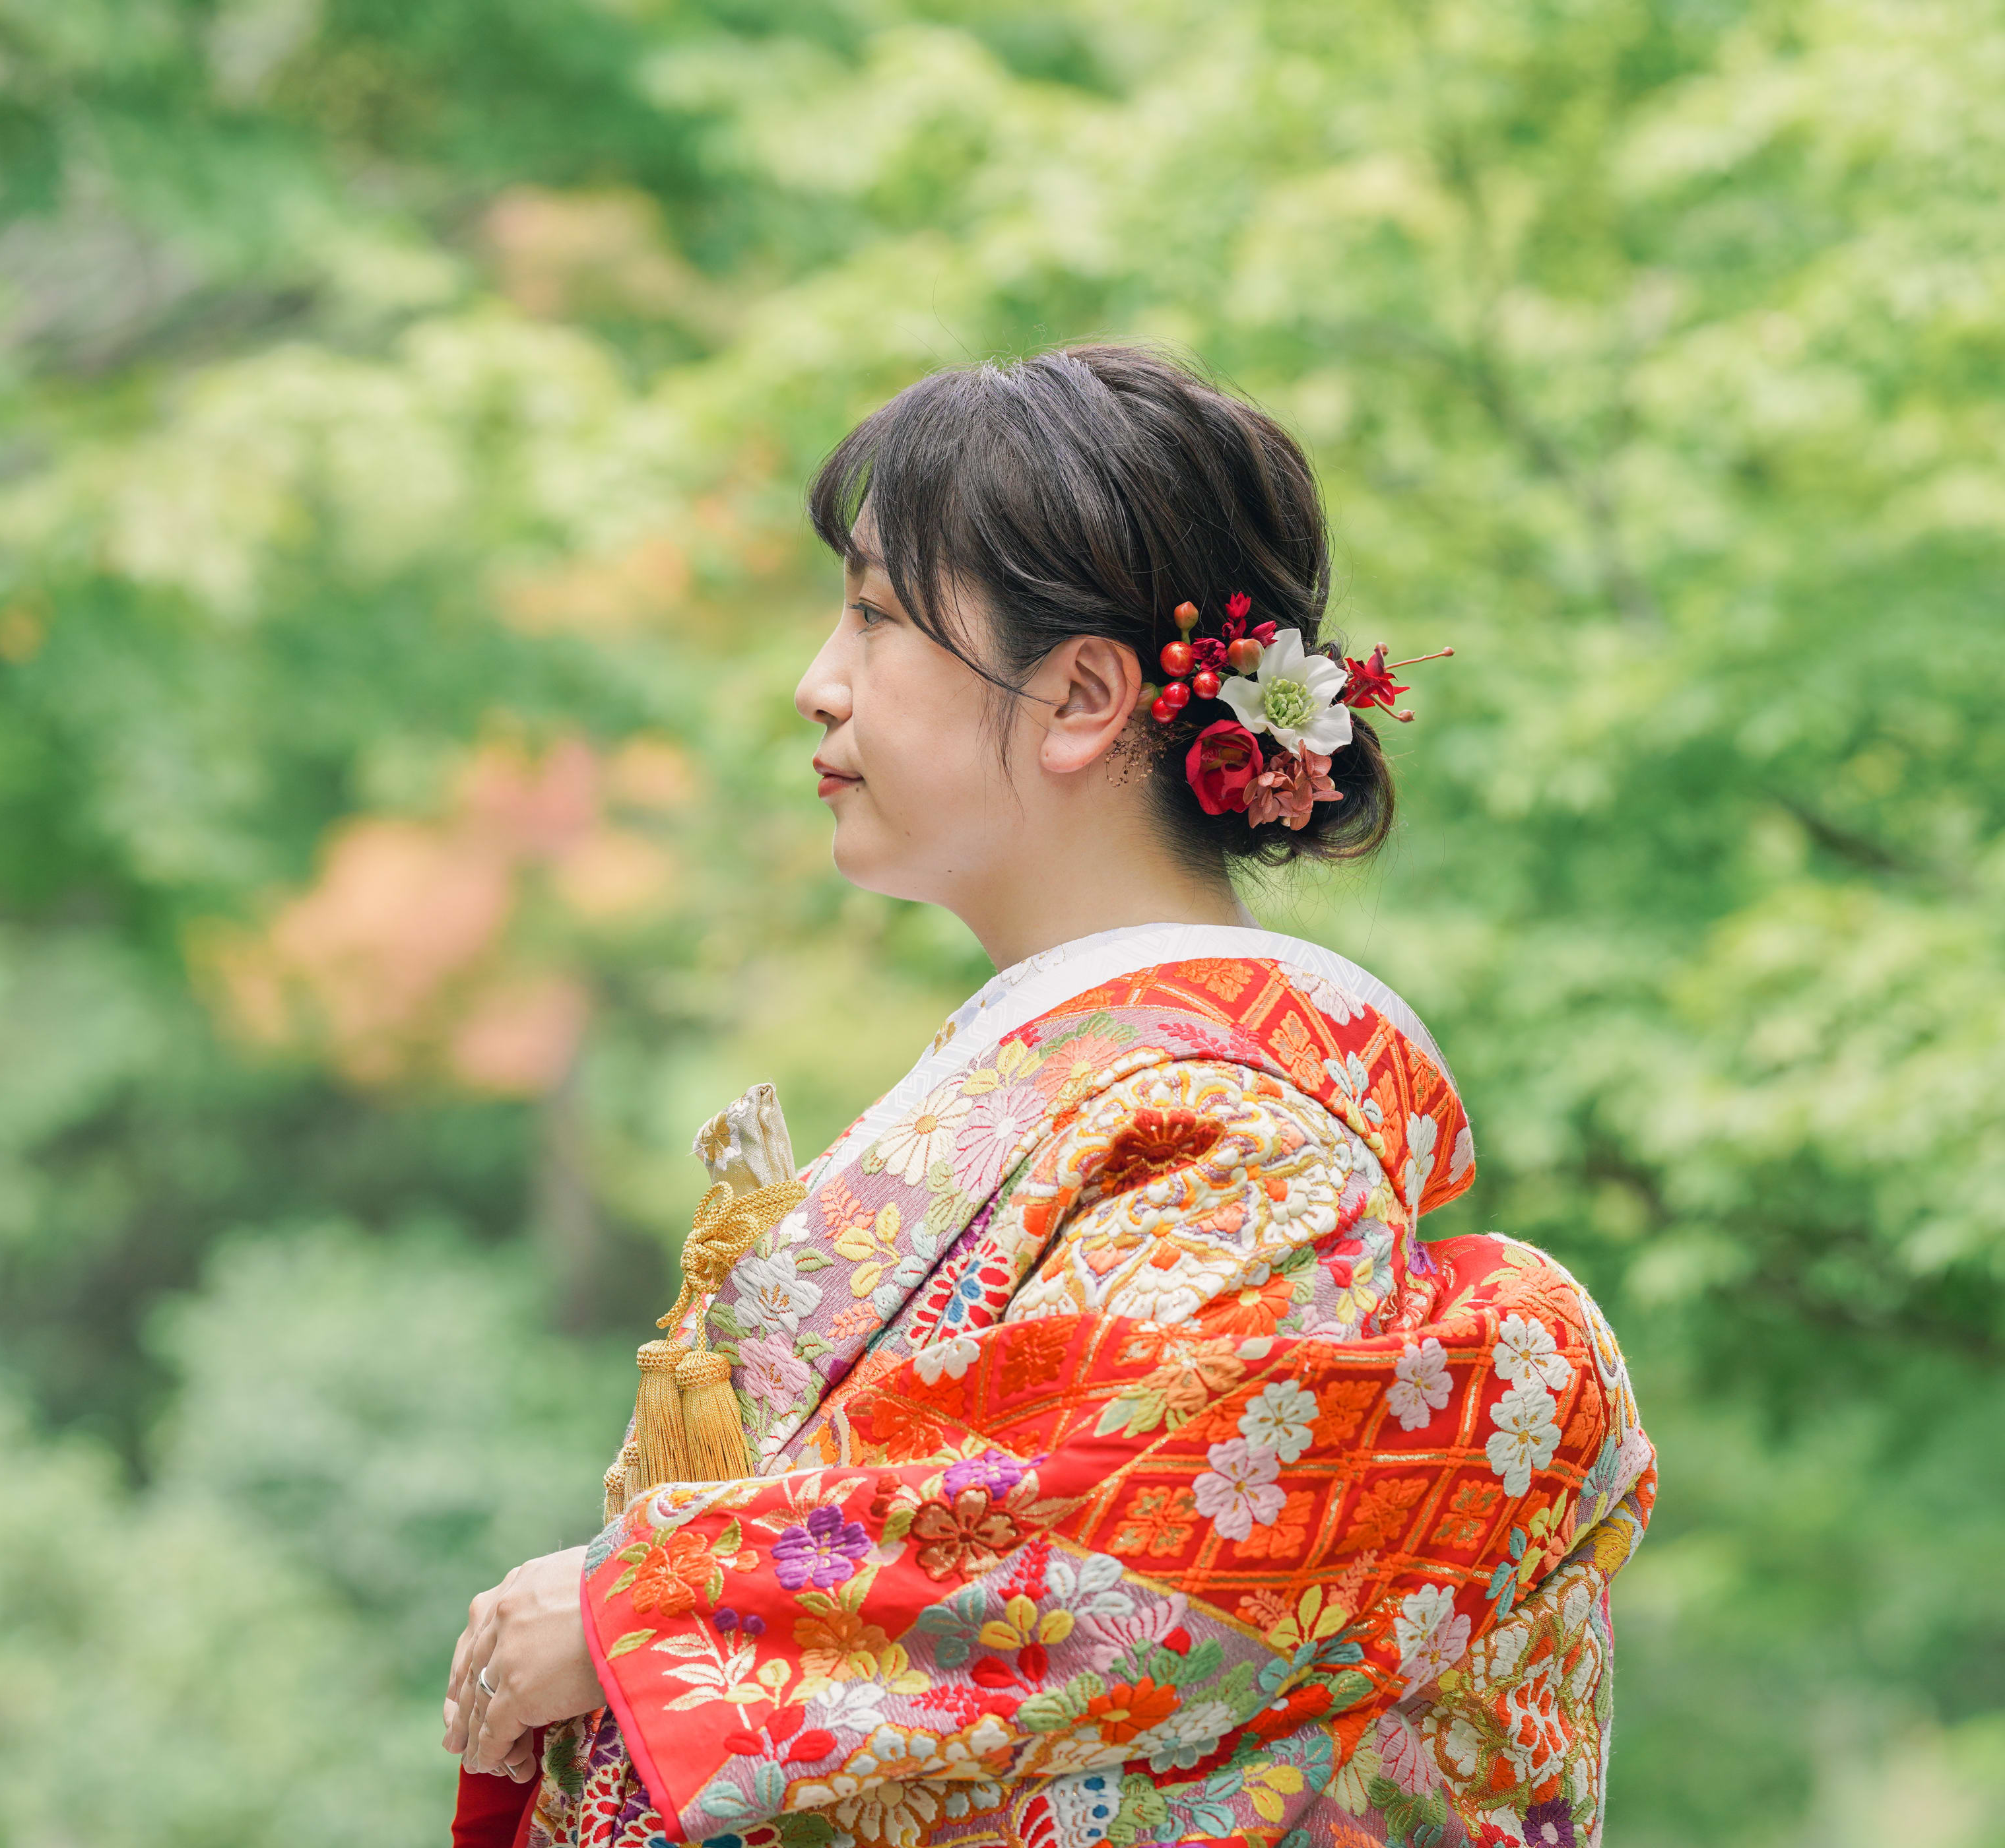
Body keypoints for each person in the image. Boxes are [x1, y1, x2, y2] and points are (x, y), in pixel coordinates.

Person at [444, 345, 1655, 1848]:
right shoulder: (1105, 1097)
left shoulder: (1242, 1143)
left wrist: (654, 1612)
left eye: (876, 616)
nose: (817, 681)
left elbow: (1144, 1534)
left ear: (1081, 695)